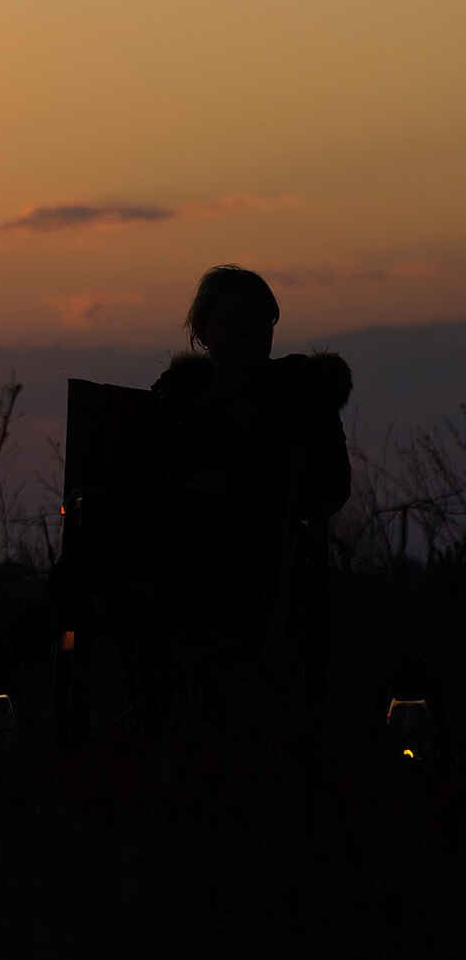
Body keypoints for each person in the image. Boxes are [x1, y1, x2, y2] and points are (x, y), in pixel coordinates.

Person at [150, 265, 350, 750]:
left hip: (281, 594)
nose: (250, 335)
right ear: (205, 330)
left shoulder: (302, 396)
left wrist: (261, 492)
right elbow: (149, 491)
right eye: (235, 322)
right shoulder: (178, 402)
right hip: (192, 595)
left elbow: (331, 487)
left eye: (260, 322)